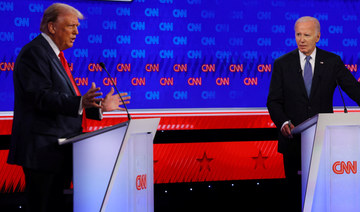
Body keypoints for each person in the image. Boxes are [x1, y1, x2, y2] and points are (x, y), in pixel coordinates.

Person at [7, 3, 130, 212]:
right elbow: (40, 97)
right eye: (71, 26)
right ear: (52, 27)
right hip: (42, 153)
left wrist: (98, 107)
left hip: (58, 151)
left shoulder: (53, 55)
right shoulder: (34, 53)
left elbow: (63, 102)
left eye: (77, 26)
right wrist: (81, 102)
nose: (76, 31)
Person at [267, 16, 360, 211]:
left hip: (324, 143)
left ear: (318, 36)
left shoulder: (332, 61)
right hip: (293, 142)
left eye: (307, 35)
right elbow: (273, 101)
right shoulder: (282, 64)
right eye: (298, 34)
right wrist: (283, 122)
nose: (301, 39)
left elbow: (354, 90)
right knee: (294, 197)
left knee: (323, 195)